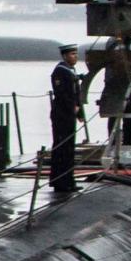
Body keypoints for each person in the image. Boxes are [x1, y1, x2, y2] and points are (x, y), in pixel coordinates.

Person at [48, 45, 85, 196]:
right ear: (64, 56)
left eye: (76, 54)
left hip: (69, 115)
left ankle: (69, 181)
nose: (75, 56)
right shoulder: (59, 72)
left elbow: (77, 95)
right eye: (72, 54)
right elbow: (62, 94)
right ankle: (60, 182)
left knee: (69, 148)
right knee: (62, 147)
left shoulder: (71, 71)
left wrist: (80, 112)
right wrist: (72, 109)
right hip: (61, 115)